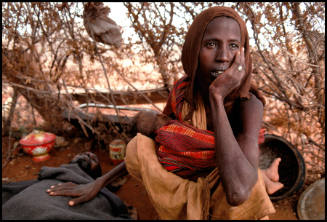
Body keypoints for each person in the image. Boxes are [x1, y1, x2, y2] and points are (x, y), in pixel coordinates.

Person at [46, 6, 284, 219]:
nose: (223, 56)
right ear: (193, 48)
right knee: (137, 148)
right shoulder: (183, 91)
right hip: (183, 183)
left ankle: (261, 179)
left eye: (233, 46)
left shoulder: (248, 103)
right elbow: (158, 136)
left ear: (243, 53)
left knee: (249, 181)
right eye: (211, 44)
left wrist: (217, 97)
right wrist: (99, 182)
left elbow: (237, 192)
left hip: (228, 195)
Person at [2, 152, 134, 220]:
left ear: (93, 176)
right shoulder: (51, 174)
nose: (88, 155)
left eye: (93, 160)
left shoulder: (95, 190)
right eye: (83, 154)